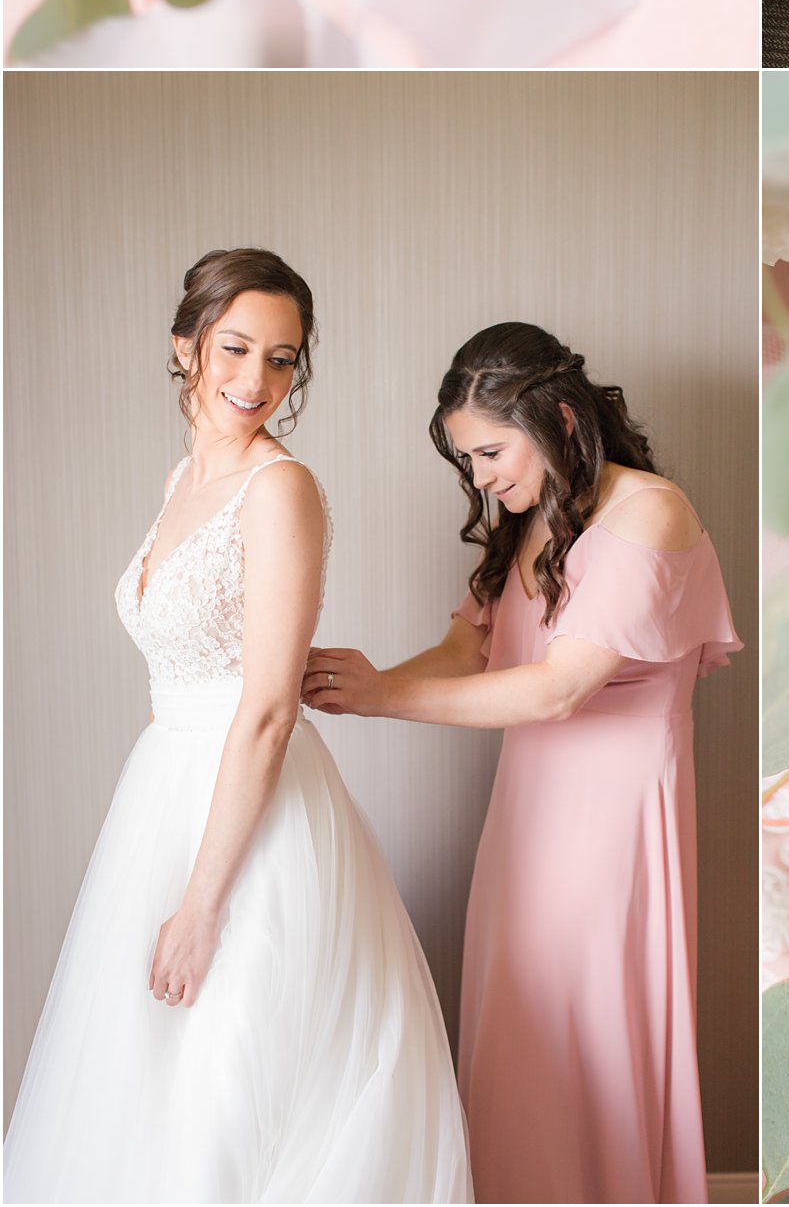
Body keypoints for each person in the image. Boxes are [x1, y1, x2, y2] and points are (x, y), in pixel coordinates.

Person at [4, 248, 471, 1204]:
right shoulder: (186, 478)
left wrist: (201, 903)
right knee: (148, 1089)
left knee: (231, 1083)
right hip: (165, 792)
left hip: (249, 806)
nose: (257, 380)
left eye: (284, 358)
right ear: (186, 348)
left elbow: (264, 710)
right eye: (235, 348)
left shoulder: (280, 489)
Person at [306, 322, 739, 1205]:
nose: (481, 478)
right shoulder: (529, 520)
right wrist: (366, 680)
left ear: (562, 419)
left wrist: (386, 699)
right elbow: (464, 653)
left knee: (588, 1031)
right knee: (520, 1029)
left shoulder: (649, 509)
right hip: (527, 822)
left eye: (492, 451)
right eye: (468, 461)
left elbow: (556, 689)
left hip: (613, 828)